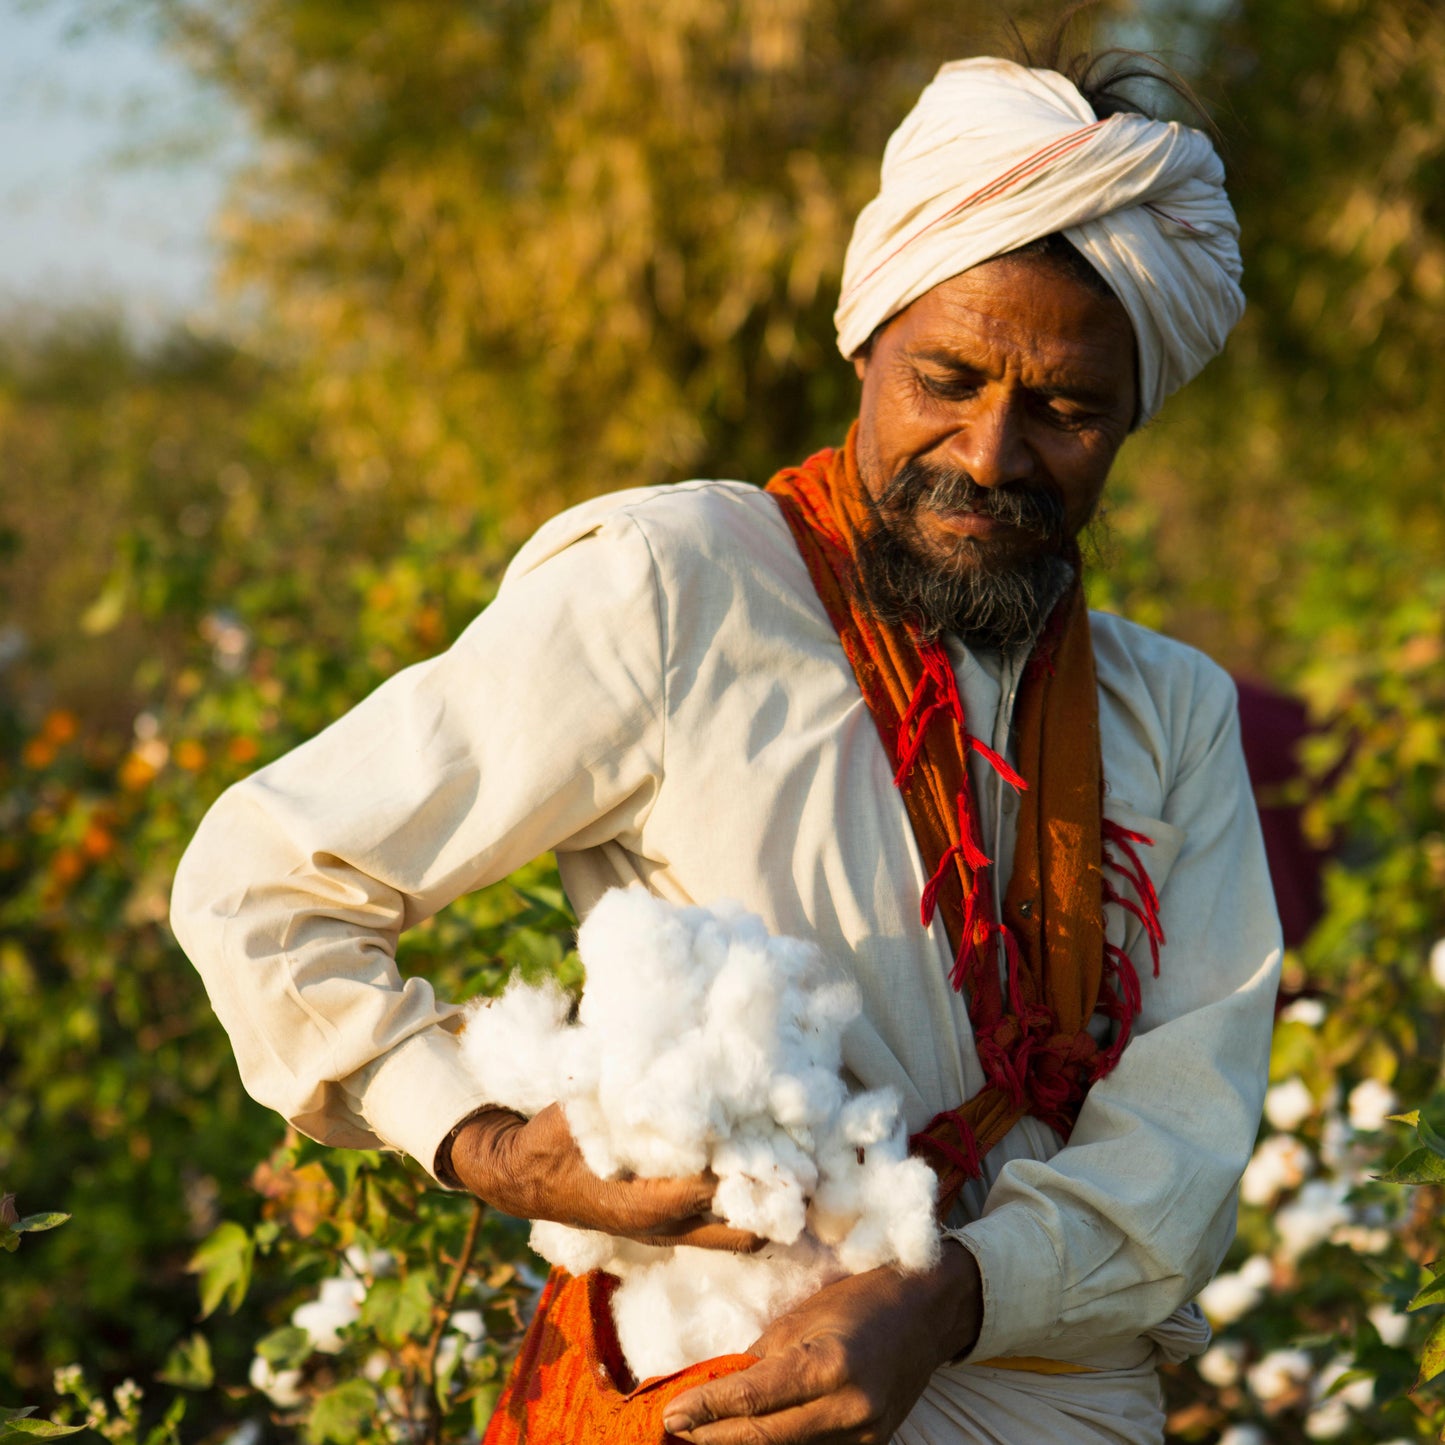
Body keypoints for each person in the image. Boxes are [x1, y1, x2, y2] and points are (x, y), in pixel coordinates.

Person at [171, 45, 1282, 1445]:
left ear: (1127, 421)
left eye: (1066, 410)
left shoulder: (1165, 710)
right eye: (945, 376)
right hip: (711, 1394)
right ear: (864, 341)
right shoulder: (673, 583)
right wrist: (492, 1145)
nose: (992, 452)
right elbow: (266, 880)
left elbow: (1182, 1138)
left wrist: (949, 1298)